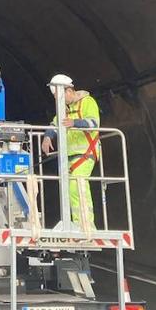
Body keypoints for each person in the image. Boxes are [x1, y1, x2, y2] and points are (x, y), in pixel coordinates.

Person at [41, 74, 100, 230]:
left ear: (68, 91)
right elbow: (54, 124)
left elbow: (94, 122)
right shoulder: (65, 109)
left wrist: (74, 123)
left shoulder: (87, 102)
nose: (57, 101)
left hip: (85, 153)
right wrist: (47, 137)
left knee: (77, 184)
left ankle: (87, 227)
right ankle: (77, 225)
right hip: (69, 157)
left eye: (58, 96)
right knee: (70, 189)